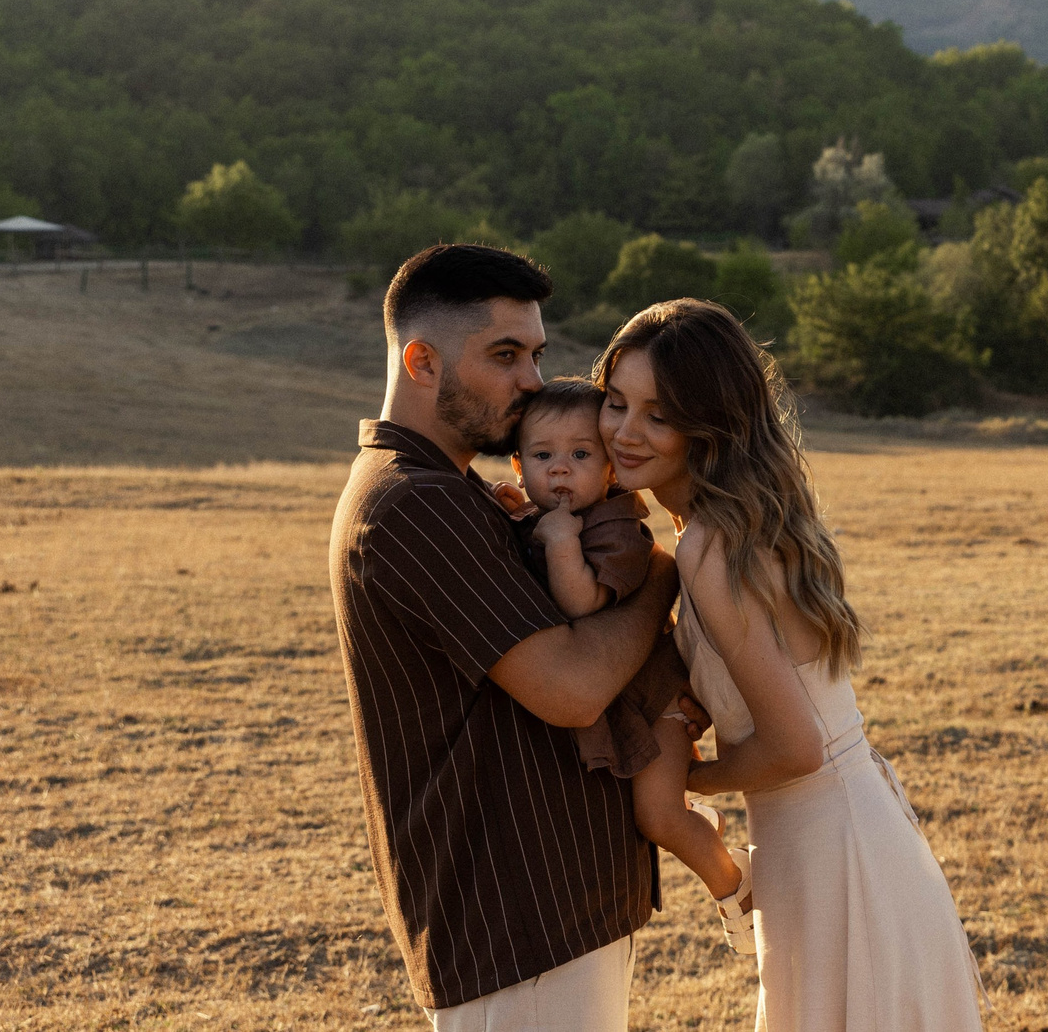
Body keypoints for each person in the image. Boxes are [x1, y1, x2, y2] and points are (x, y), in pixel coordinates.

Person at [596, 297, 984, 1032]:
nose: (624, 430)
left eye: (658, 413)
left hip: (835, 855)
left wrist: (684, 780)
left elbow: (794, 745)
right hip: (841, 838)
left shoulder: (710, 546)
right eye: (616, 402)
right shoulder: (733, 526)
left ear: (708, 423)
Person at [329, 243, 689, 1030]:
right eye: (505, 355)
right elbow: (572, 687)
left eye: (537, 354)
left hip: (546, 909)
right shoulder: (411, 503)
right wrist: (660, 572)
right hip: (515, 920)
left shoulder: (459, 491)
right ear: (422, 361)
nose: (533, 380)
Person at [504, 376, 757, 951]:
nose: (560, 470)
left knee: (659, 817)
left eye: (580, 455)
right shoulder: (538, 515)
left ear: (610, 469)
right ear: (519, 467)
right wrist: (520, 516)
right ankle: (709, 838)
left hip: (657, 702)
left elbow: (581, 601)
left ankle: (735, 883)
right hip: (616, 696)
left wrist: (561, 541)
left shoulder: (618, 528)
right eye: (543, 456)